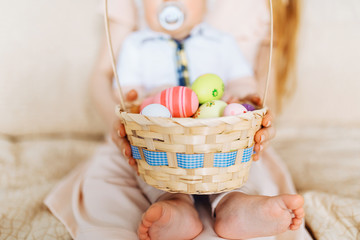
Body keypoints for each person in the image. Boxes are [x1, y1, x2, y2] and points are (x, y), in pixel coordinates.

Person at [45, 0, 310, 239]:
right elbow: (125, 89)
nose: (169, 3)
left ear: (206, 5)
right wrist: (138, 100)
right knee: (150, 168)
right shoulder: (136, 45)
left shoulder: (221, 42)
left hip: (215, 135)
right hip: (161, 137)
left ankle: (234, 205)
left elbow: (242, 79)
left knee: (235, 166)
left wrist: (241, 96)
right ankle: (176, 205)